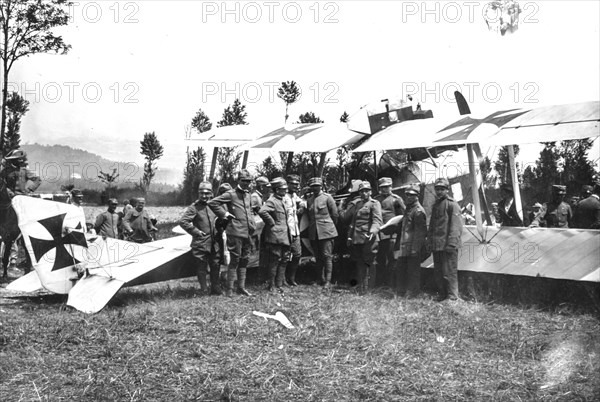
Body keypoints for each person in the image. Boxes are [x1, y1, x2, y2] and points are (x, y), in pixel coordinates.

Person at [208, 169, 256, 297]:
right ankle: (229, 290)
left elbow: (249, 211)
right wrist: (224, 214)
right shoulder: (231, 194)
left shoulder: (248, 195)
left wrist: (252, 224)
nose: (246, 184)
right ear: (238, 180)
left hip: (247, 232)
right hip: (235, 232)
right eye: (244, 181)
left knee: (245, 259)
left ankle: (241, 287)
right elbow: (212, 202)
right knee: (234, 260)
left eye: (249, 181)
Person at [179, 182, 223, 295]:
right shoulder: (194, 207)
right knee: (201, 267)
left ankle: (215, 288)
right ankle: (203, 289)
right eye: (202, 193)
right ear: (198, 193)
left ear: (211, 194)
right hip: (201, 242)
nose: (204, 196)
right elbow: (183, 221)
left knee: (215, 265)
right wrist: (196, 232)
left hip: (214, 242)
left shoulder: (215, 206)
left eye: (207, 193)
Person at [428, 178, 463, 302]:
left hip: (448, 245)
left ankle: (452, 297)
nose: (439, 191)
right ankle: (442, 294)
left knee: (449, 272)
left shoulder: (452, 204)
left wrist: (452, 243)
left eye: (442, 189)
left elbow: (456, 226)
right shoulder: (436, 205)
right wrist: (430, 241)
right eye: (437, 189)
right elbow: (432, 225)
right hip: (437, 245)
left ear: (447, 190)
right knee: (439, 272)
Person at [344, 181, 382, 292]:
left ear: (370, 192)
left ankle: (369, 288)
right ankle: (361, 286)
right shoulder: (358, 204)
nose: (364, 193)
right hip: (357, 239)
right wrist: (349, 237)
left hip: (369, 238)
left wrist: (372, 232)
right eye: (361, 191)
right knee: (360, 263)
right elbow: (353, 223)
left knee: (369, 263)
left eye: (366, 191)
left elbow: (377, 221)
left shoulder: (375, 203)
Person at [303, 176, 338, 288]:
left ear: (321, 186)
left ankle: (328, 281)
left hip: (327, 231)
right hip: (314, 232)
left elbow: (335, 215)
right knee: (317, 256)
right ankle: (320, 278)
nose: (315, 188)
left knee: (327, 256)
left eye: (317, 186)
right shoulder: (309, 200)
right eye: (312, 186)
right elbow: (310, 217)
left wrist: (330, 228)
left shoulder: (328, 198)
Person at [258, 178, 291, 292]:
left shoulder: (281, 200)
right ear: (277, 190)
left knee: (284, 259)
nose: (286, 191)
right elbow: (262, 211)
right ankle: (272, 285)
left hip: (284, 235)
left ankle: (279, 284)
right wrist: (272, 222)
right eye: (283, 189)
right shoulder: (272, 201)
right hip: (276, 236)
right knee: (274, 260)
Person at [396, 183, 427, 297]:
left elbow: (420, 233)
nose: (408, 197)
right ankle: (401, 292)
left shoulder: (418, 211)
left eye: (411, 195)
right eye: (407, 195)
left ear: (417, 196)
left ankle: (413, 293)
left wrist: (415, 249)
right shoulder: (408, 209)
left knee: (413, 271)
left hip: (413, 247)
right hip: (404, 246)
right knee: (402, 269)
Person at [374, 177, 405, 287]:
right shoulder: (376, 199)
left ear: (391, 187)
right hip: (379, 234)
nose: (384, 190)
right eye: (382, 188)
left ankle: (390, 284)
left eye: (386, 187)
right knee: (380, 259)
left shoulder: (396, 200)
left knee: (391, 259)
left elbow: (402, 217)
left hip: (391, 234)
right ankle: (380, 283)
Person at [283, 174, 304, 286]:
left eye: (297, 184)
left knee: (297, 254)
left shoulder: (294, 195)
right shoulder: (283, 195)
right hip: (286, 230)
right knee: (285, 256)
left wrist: (301, 206)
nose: (295, 186)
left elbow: (302, 202)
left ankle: (291, 278)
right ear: (288, 184)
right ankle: (282, 279)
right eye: (293, 184)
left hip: (295, 230)